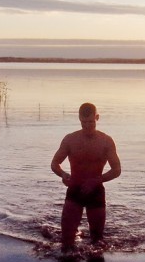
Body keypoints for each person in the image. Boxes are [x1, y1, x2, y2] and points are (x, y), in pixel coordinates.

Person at [51, 103, 121, 250]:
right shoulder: (70, 139)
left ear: (97, 118)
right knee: (67, 240)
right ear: (79, 119)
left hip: (96, 192)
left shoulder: (106, 141)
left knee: (97, 241)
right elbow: (54, 164)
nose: (88, 126)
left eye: (91, 122)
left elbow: (117, 170)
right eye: (84, 122)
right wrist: (63, 174)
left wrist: (97, 180)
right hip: (74, 190)